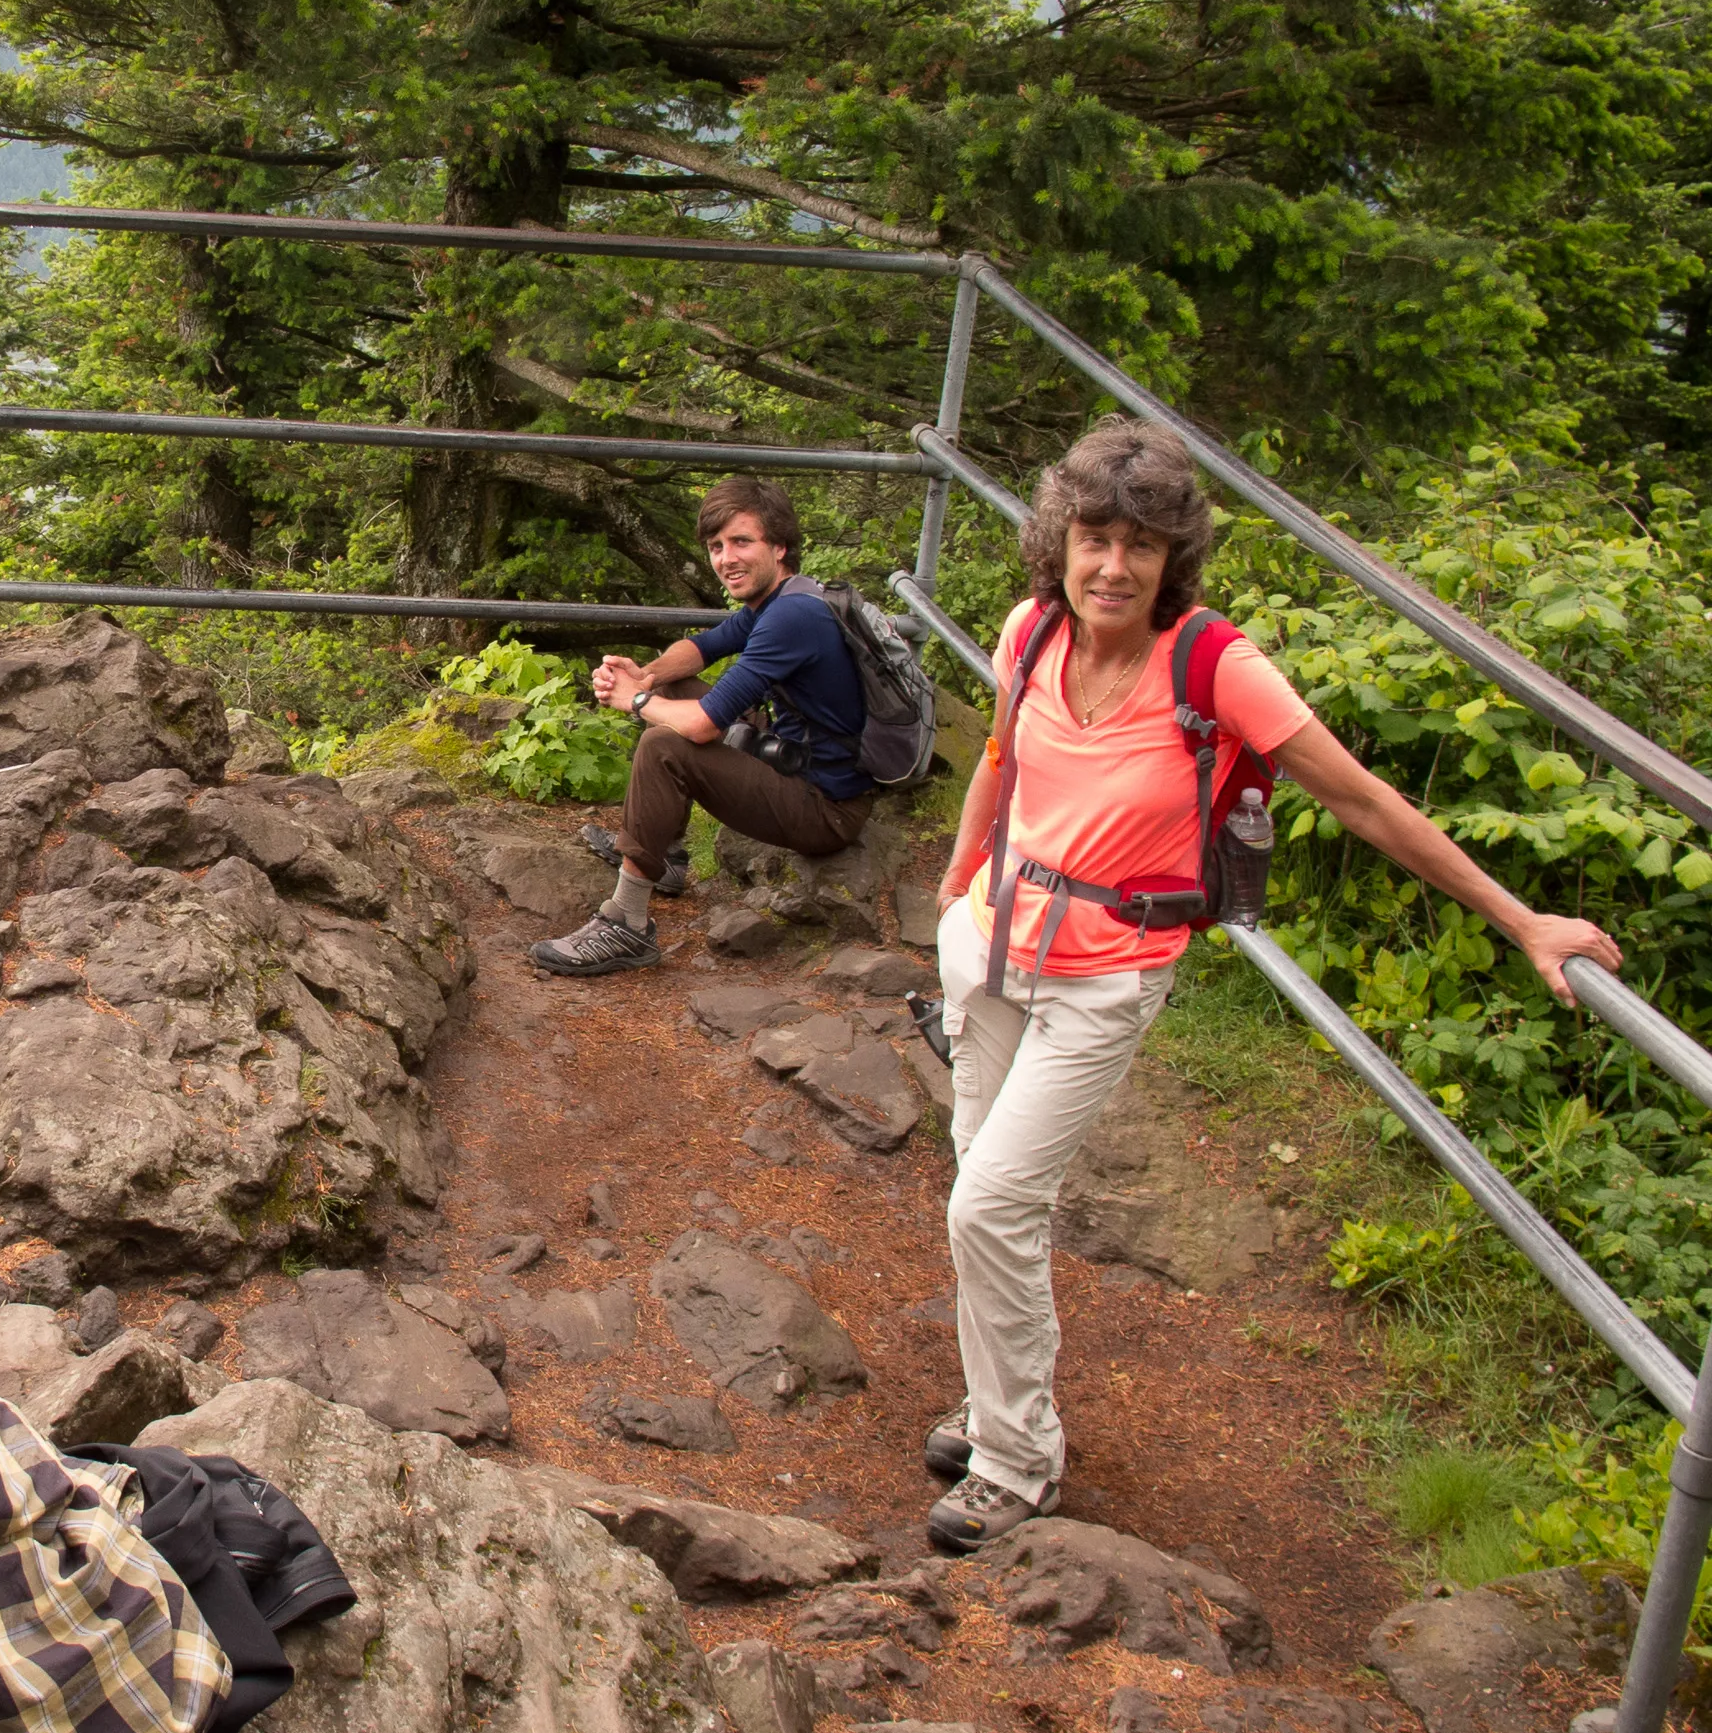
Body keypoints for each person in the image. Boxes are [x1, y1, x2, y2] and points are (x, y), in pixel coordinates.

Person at [920, 417, 1619, 1550]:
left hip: (1108, 978)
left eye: (1139, 545)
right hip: (990, 946)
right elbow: (1000, 764)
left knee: (990, 1203)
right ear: (1059, 539)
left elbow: (1365, 798)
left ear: (1172, 556)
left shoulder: (1215, 666)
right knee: (989, 1192)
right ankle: (1000, 1400)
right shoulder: (1031, 630)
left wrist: (1522, 918)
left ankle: (1016, 1460)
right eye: (1094, 537)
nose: (1112, 565)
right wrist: (955, 890)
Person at [532, 475, 873, 976]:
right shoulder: (780, 602)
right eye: (716, 546)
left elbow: (702, 727)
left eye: (741, 541)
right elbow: (700, 649)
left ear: (779, 547)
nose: (726, 558)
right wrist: (648, 675)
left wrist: (634, 699)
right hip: (795, 761)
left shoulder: (792, 618)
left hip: (825, 809)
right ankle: (664, 856)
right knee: (670, 690)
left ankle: (626, 922)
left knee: (662, 744)